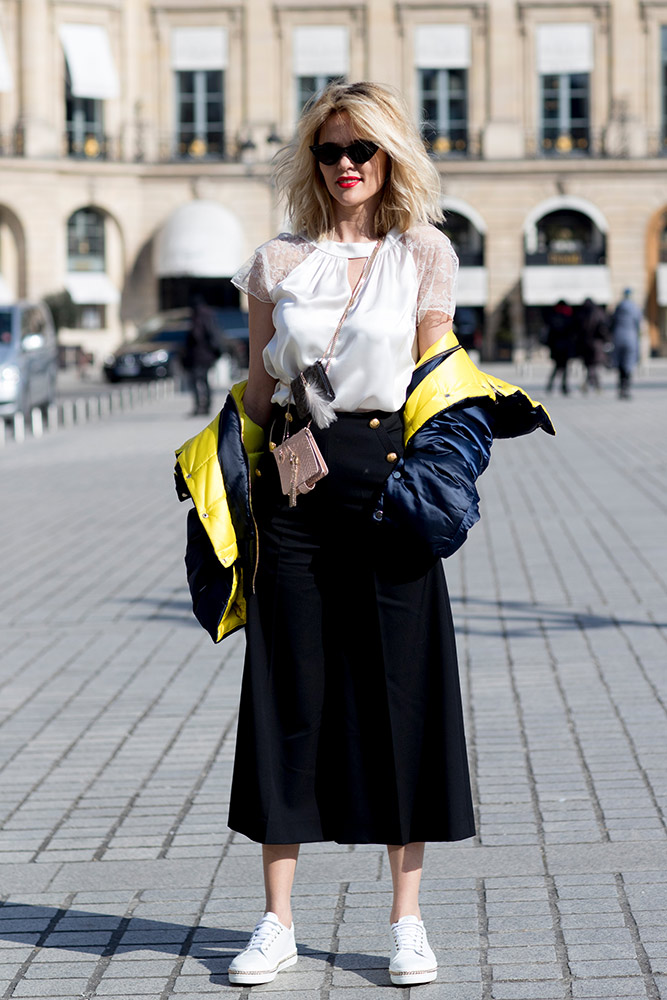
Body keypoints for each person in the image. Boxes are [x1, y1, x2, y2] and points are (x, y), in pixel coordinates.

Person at [175, 81, 554, 988]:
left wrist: (446, 474)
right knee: (286, 697)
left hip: (389, 501)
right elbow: (259, 394)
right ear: (310, 161)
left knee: (401, 697)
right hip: (292, 505)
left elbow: (436, 374)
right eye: (329, 151)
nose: (345, 165)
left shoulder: (423, 251)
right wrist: (213, 481)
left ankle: (407, 922)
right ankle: (276, 923)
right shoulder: (274, 261)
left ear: (390, 157)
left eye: (362, 150)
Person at [181, 296, 220, 416]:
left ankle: (200, 406)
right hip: (206, 355)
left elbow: (196, 336)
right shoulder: (208, 316)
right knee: (204, 381)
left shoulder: (198, 317)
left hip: (199, 355)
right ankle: (206, 406)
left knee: (197, 381)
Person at [611, 288, 642, 399]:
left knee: (620, 363)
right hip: (631, 338)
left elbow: (612, 322)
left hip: (618, 337)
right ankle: (627, 387)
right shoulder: (635, 308)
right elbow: (638, 324)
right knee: (628, 363)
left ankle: (621, 386)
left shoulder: (618, 307)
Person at [576, 297, 608, 392]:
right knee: (592, 365)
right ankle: (595, 385)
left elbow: (577, 330)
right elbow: (603, 328)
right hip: (596, 343)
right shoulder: (599, 313)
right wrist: (606, 339)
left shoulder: (581, 314)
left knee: (589, 365)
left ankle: (589, 385)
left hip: (585, 343)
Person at [545, 299, 576, 394]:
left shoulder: (553, 316)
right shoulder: (568, 317)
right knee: (565, 368)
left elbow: (549, 335)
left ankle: (550, 386)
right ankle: (564, 387)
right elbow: (572, 334)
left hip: (556, 347)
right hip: (565, 347)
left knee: (557, 367)